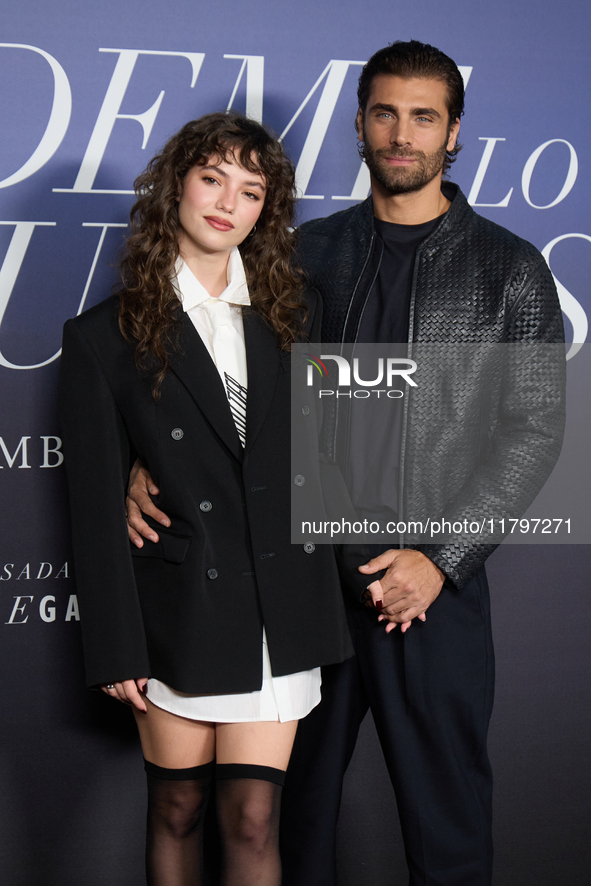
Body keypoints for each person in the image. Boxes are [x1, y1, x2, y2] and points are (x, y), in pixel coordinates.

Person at [126, 42, 565, 886]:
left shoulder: (510, 269)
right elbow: (211, 385)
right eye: (384, 114)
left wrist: (439, 561)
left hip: (430, 600)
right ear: (359, 125)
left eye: (423, 116)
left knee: (450, 833)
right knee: (289, 828)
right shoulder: (299, 252)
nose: (401, 134)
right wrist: (147, 463)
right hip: (300, 586)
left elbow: (536, 431)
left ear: (453, 133)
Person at [58, 111, 352, 886]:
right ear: (176, 185)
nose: (227, 202)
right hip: (179, 610)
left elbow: (329, 456)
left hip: (281, 606)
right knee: (178, 812)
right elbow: (92, 510)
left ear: (267, 211)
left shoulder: (300, 311)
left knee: (254, 818)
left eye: (251, 191)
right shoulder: (102, 335)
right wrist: (114, 647)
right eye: (212, 177)